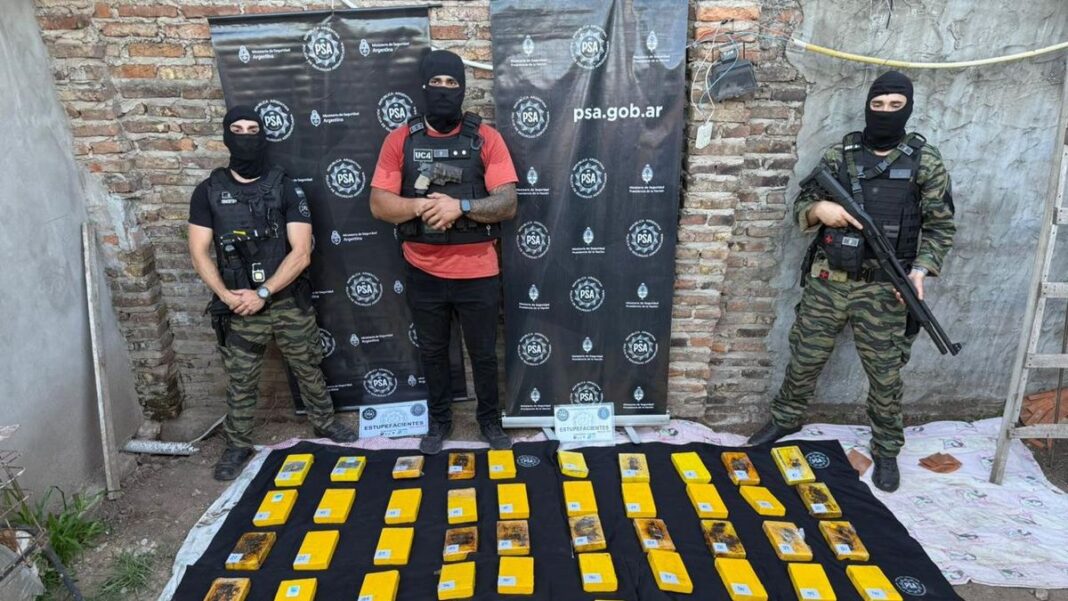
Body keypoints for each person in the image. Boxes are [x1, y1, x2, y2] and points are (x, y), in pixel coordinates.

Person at [748, 71, 956, 492]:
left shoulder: (925, 161)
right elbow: (803, 203)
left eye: (895, 106)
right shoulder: (839, 155)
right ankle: (786, 419)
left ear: (908, 108)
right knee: (805, 356)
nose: (885, 112)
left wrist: (920, 270)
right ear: (867, 106)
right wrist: (819, 210)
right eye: (878, 105)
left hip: (885, 288)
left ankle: (886, 447)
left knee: (885, 374)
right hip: (829, 280)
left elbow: (940, 227)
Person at [189, 106, 358, 481]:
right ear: (226, 136)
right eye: (237, 129)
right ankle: (237, 444)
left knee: (308, 366)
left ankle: (325, 422)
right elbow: (199, 252)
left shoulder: (286, 187)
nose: (245, 136)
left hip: (286, 301)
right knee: (241, 379)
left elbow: (301, 251)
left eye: (253, 129)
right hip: (238, 305)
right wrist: (228, 296)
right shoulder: (208, 192)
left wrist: (263, 292)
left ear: (263, 137)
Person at [370, 50, 518, 454]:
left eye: (452, 83)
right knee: (433, 352)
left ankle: (490, 421)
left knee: (483, 354)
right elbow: (379, 204)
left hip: (478, 271)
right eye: (436, 82)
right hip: (423, 270)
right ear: (423, 86)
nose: (443, 90)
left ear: (462, 89)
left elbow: (507, 202)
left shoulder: (486, 137)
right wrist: (423, 207)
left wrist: (460, 207)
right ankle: (439, 422)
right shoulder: (400, 139)